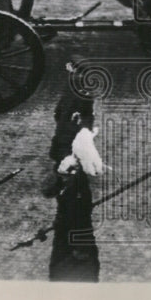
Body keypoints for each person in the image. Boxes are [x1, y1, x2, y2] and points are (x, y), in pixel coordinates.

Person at [46, 57, 95, 198]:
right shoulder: (71, 84)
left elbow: (88, 114)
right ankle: (61, 182)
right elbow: (63, 102)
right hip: (63, 127)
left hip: (73, 131)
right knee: (58, 154)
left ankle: (73, 187)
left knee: (71, 158)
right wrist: (58, 114)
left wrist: (84, 129)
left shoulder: (84, 91)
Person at [49, 155, 101, 282]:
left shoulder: (77, 190)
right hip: (65, 241)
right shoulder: (68, 190)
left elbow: (80, 220)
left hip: (76, 246)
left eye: (66, 176)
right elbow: (65, 214)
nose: (64, 179)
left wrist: (81, 247)